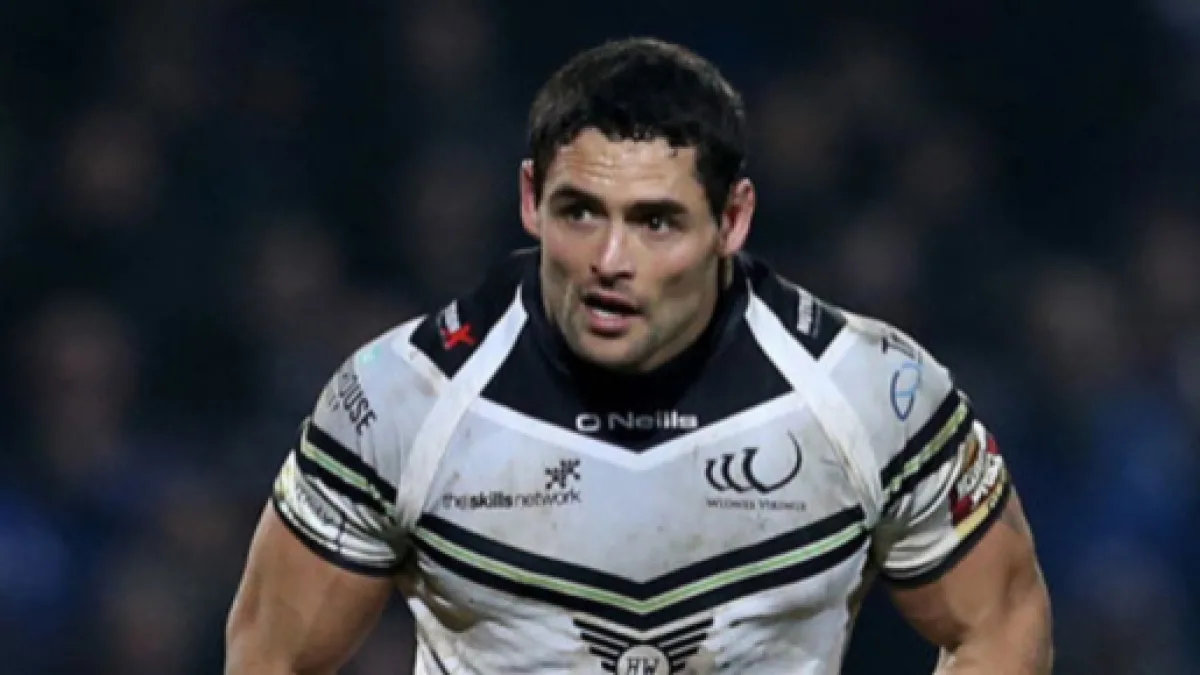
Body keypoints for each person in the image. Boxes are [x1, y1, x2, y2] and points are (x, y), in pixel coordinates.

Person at [225, 37, 1053, 675]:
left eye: (656, 221)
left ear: (733, 220)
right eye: (580, 212)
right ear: (529, 199)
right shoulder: (400, 399)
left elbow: (1001, 621)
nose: (610, 260)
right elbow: (270, 655)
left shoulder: (870, 392)